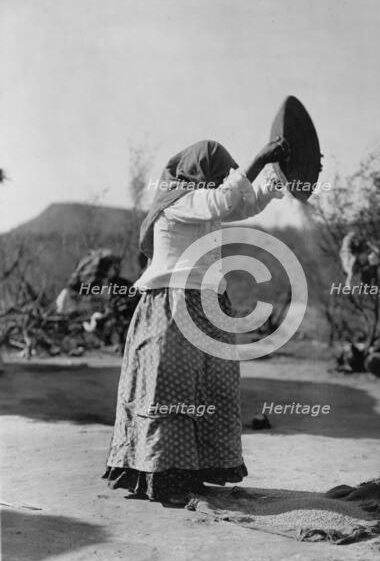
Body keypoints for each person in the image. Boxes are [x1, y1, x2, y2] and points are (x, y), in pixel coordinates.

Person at [103, 138, 289, 505]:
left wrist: (279, 172)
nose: (224, 180)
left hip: (207, 303)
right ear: (201, 174)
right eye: (219, 173)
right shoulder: (177, 204)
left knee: (208, 389)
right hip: (173, 303)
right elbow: (223, 199)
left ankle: (195, 469)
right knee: (171, 392)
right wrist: (257, 160)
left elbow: (243, 202)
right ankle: (163, 477)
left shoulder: (204, 206)